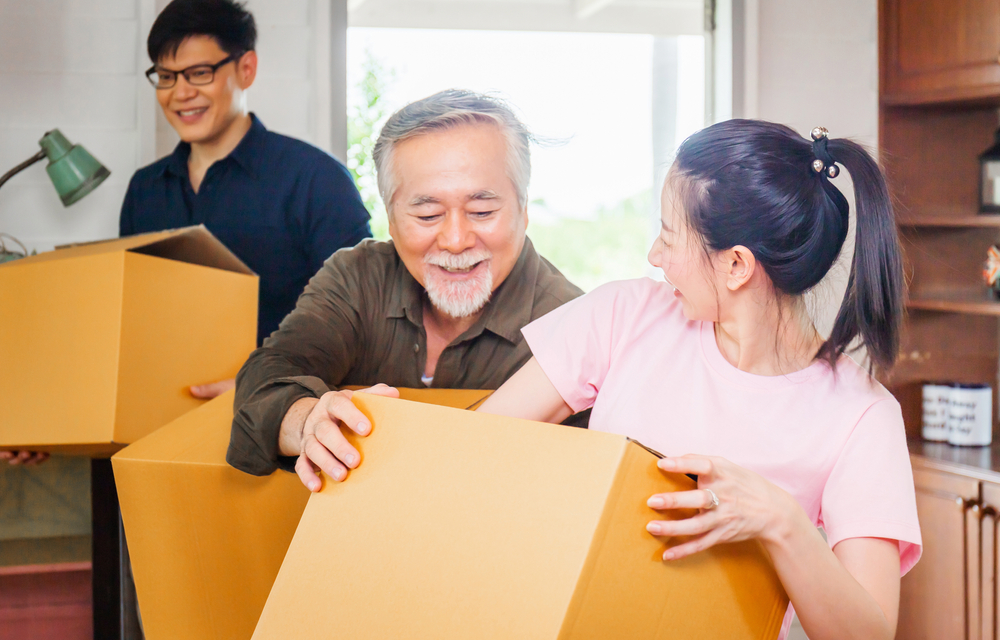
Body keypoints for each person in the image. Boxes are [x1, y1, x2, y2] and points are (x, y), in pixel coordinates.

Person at [476, 121, 922, 640]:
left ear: (736, 265)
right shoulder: (624, 316)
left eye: (668, 235)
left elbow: (868, 635)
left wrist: (780, 521)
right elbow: (477, 447)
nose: (654, 256)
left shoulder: (862, 417)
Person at [228, 89, 584, 490]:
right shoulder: (356, 278)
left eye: (482, 212)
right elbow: (268, 375)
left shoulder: (573, 326)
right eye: (427, 214)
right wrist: (307, 419)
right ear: (391, 220)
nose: (455, 239)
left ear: (523, 210)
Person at [121, 0, 371, 374]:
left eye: (199, 73)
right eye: (167, 76)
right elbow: (131, 314)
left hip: (278, 413)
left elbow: (362, 319)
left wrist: (263, 387)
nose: (180, 92)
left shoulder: (316, 180)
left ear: (246, 68)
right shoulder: (145, 189)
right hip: (158, 412)